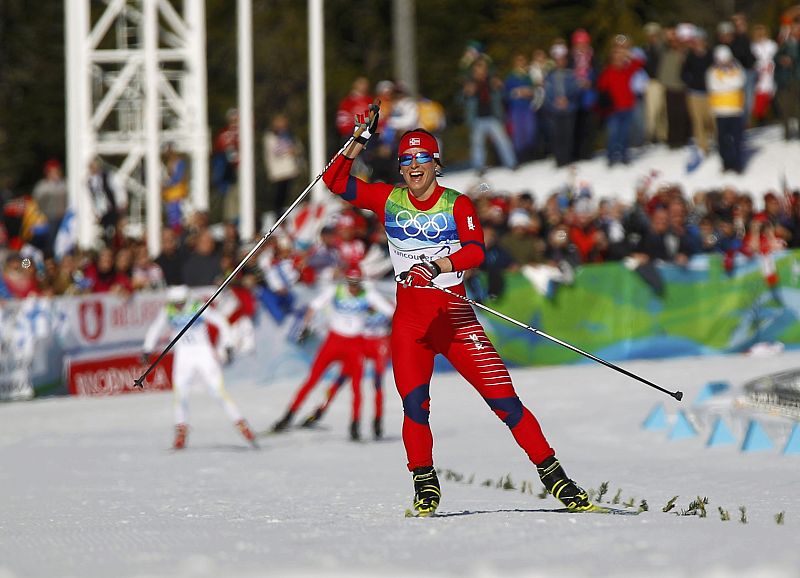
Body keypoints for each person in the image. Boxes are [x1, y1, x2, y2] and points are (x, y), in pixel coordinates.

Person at [321, 114, 598, 517]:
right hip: (411, 327)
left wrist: (437, 266)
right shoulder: (387, 199)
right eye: (406, 160)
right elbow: (333, 180)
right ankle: (424, 483)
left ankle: (556, 478)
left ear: (436, 164)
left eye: (422, 159)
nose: (414, 167)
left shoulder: (456, 203)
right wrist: (360, 138)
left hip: (455, 322)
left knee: (506, 403)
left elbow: (475, 251)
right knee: (416, 407)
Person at [272, 265, 395, 440]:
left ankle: (355, 425)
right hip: (333, 341)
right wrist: (304, 327)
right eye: (350, 283)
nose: (353, 288)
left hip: (355, 344)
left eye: (356, 283)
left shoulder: (368, 293)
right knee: (312, 380)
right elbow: (313, 306)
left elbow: (392, 312)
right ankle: (288, 416)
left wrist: (394, 326)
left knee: (356, 386)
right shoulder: (336, 290)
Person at [142, 285, 257, 450]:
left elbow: (221, 322)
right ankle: (181, 430)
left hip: (203, 353)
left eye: (181, 303)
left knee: (218, 392)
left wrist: (228, 344)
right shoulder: (168, 310)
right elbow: (155, 328)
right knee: (180, 393)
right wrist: (147, 349)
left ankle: (241, 424)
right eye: (175, 303)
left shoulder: (197, 306)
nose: (178, 306)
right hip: (183, 355)